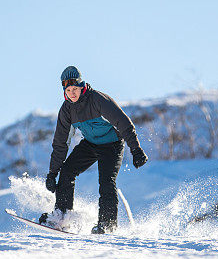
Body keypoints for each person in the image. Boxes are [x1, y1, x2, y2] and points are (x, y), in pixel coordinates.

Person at [41, 66, 148, 234]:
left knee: (106, 181)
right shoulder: (67, 110)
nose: (72, 93)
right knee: (67, 171)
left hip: (112, 144)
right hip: (91, 144)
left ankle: (107, 224)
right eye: (68, 90)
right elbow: (60, 143)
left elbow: (123, 122)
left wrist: (136, 149)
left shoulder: (97, 100)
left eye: (75, 89)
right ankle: (61, 217)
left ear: (82, 86)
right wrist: (53, 173)